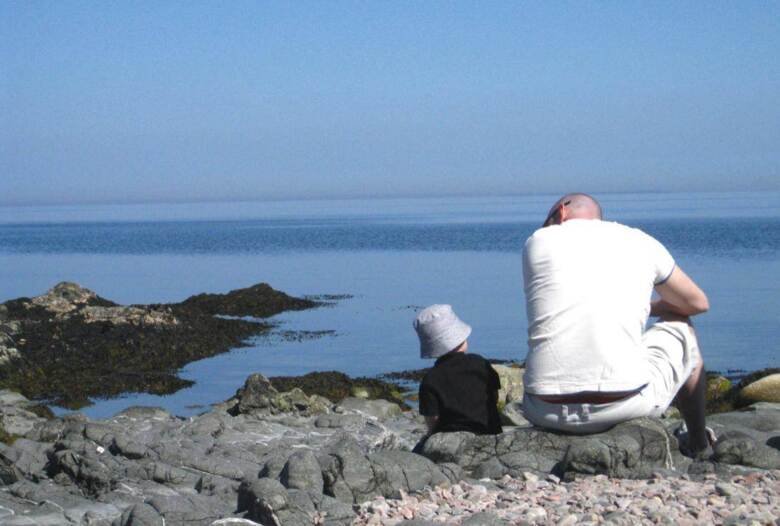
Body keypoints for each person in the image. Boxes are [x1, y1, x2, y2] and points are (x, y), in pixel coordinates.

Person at [521, 193, 713, 458]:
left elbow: (582, 295)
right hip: (624, 404)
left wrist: (647, 307)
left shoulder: (537, 242)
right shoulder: (641, 242)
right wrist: (653, 306)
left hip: (543, 408)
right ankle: (698, 442)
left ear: (562, 213)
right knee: (682, 326)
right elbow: (698, 303)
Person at [412, 304, 502, 452]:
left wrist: (430, 435)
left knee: (417, 452)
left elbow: (433, 418)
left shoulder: (431, 379)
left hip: (450, 443)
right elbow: (494, 395)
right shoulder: (480, 363)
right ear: (462, 338)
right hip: (490, 434)